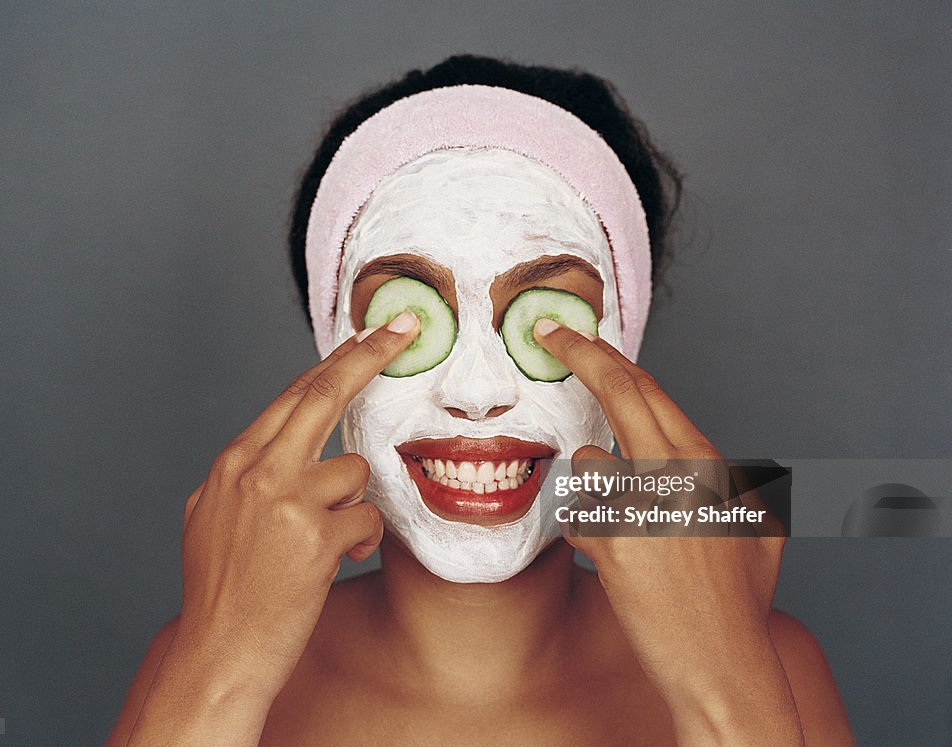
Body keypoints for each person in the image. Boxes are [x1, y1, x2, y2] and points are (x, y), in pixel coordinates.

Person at [108, 55, 853, 745]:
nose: (475, 394)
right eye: (404, 321)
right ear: (331, 351)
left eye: (550, 320)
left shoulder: (769, 661)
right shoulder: (199, 657)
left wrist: (725, 685)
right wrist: (214, 674)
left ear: (623, 351)